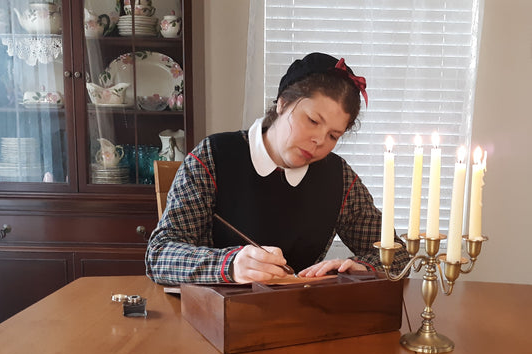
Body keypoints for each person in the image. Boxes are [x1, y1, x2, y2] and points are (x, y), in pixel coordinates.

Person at [146, 52, 409, 284]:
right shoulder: (213, 157)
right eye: (313, 120)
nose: (319, 141)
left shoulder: (338, 177)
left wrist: (363, 268)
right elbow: (159, 255)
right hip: (215, 320)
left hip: (299, 320)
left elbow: (396, 255)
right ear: (282, 103)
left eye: (333, 136)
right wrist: (230, 265)